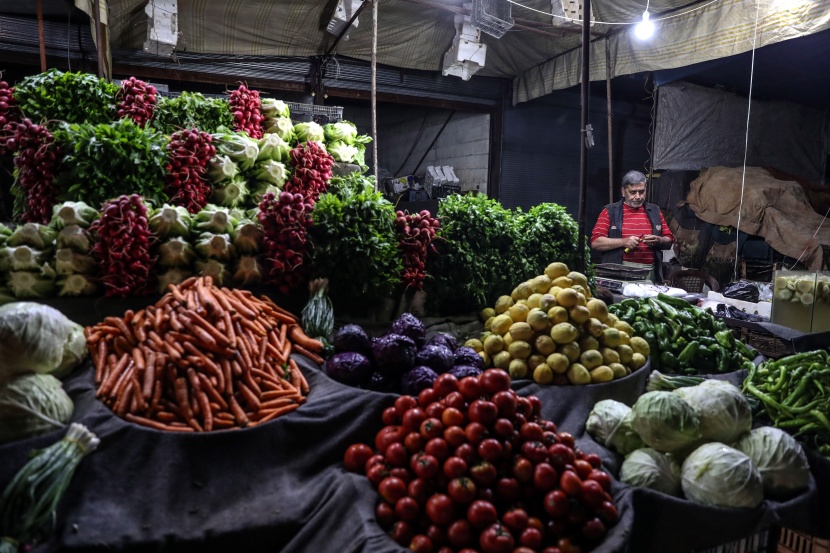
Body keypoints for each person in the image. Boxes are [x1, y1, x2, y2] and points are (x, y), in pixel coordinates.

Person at [590, 170, 674, 283]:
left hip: (649, 272)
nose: (638, 197)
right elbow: (596, 242)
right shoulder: (610, 211)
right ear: (623, 192)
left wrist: (658, 240)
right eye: (633, 192)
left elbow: (669, 240)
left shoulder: (655, 210)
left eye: (641, 192)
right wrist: (623, 242)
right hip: (619, 272)